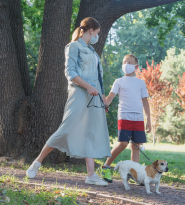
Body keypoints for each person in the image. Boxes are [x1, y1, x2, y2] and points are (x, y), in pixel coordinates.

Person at [26, 17, 111, 186]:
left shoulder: (93, 52)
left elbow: (98, 78)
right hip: (79, 93)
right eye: (97, 33)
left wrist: (102, 97)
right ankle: (37, 162)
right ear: (91, 30)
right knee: (65, 130)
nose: (97, 37)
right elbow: (70, 73)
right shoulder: (73, 47)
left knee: (91, 133)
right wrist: (87, 87)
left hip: (94, 97)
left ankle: (91, 175)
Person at [101, 54, 151, 183]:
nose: (126, 65)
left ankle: (135, 175)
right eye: (124, 62)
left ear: (136, 66)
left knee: (136, 147)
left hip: (139, 118)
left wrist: (149, 119)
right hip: (124, 116)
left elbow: (145, 101)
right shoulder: (119, 81)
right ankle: (106, 166)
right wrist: (105, 103)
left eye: (130, 62)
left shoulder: (140, 82)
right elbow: (111, 96)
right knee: (123, 144)